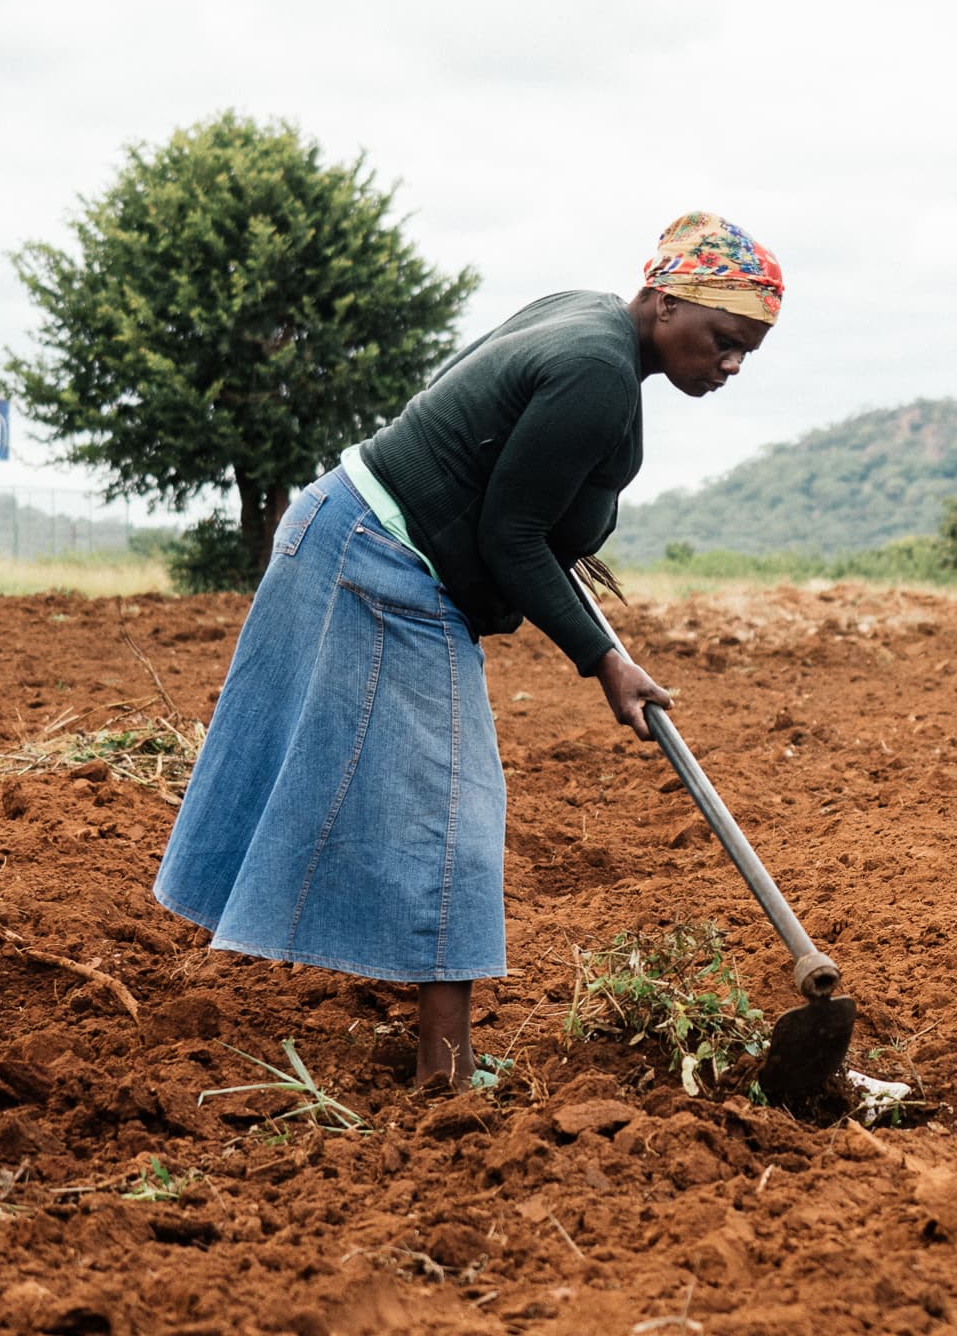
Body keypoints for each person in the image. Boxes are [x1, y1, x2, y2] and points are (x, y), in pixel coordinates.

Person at [153, 211, 782, 1085]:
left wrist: (571, 565)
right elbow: (511, 536)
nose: (731, 364)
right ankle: (445, 1073)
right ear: (664, 300)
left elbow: (502, 480)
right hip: (383, 559)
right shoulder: (598, 370)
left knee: (359, 775)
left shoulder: (588, 321)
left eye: (747, 351)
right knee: (452, 808)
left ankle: (403, 1036)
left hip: (343, 523)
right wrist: (603, 660)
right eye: (723, 338)